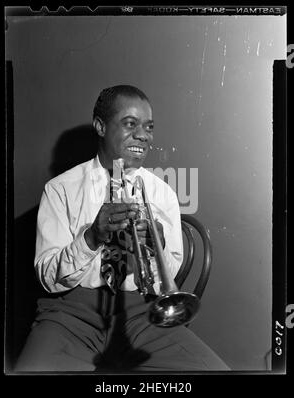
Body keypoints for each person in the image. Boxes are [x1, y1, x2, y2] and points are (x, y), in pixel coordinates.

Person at [15, 85, 229, 372]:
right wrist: (92, 237)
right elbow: (48, 279)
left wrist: (158, 246)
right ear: (100, 126)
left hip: (142, 313)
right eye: (131, 124)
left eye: (149, 127)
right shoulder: (60, 189)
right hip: (71, 315)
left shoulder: (161, 193)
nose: (143, 135)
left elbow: (171, 275)